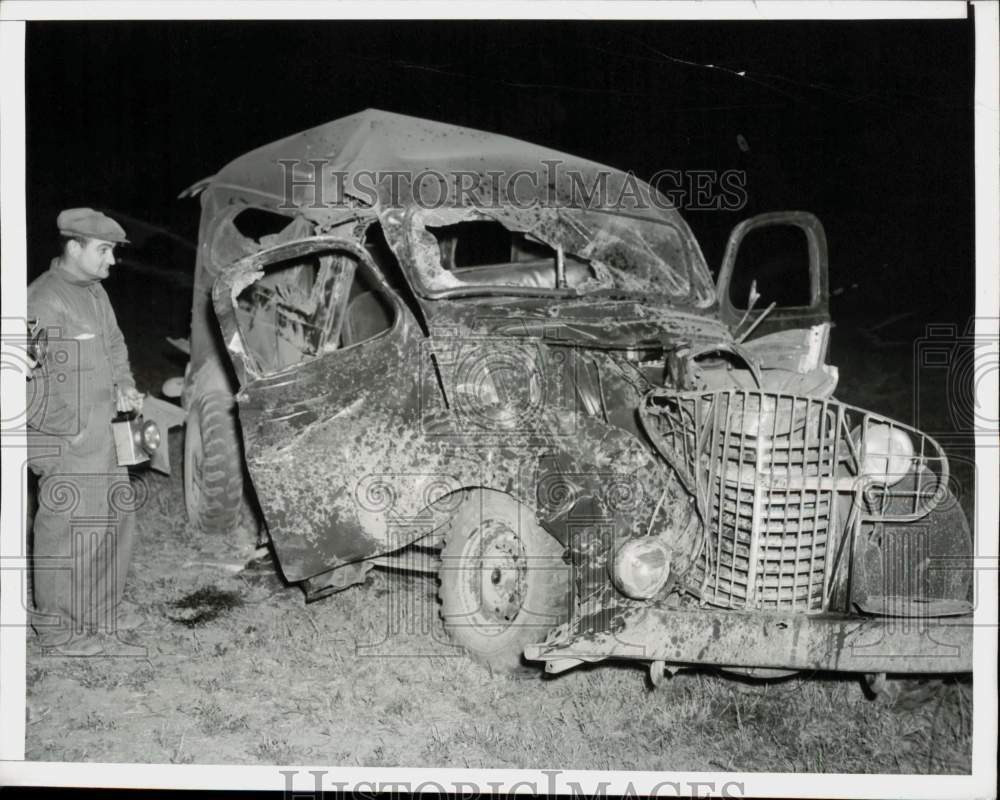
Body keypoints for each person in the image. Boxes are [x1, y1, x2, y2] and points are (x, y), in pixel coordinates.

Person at [27, 208, 146, 656]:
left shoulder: (95, 292)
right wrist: (66, 431)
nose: (111, 260)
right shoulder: (41, 301)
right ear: (73, 248)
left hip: (107, 432)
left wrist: (126, 387)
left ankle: (101, 608)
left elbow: (114, 345)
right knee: (68, 530)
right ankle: (57, 629)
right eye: (104, 250)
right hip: (67, 440)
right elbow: (25, 379)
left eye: (113, 251)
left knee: (115, 520)